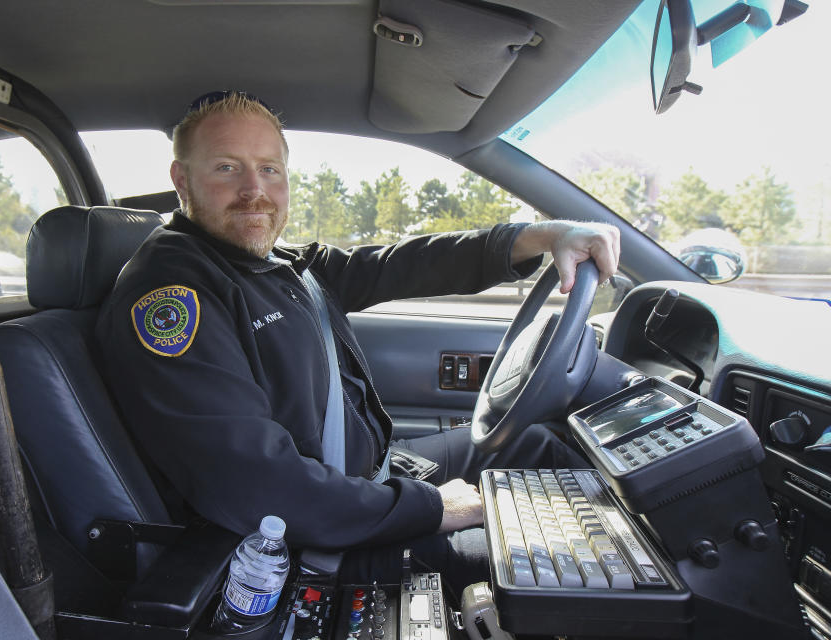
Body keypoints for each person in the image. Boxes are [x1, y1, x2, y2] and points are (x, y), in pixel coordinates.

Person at [96, 91, 620, 592]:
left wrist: (543, 236)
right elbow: (257, 487)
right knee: (548, 557)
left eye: (269, 169)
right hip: (302, 541)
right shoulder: (172, 297)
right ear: (181, 179)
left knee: (538, 446)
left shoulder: (275, 265)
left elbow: (398, 265)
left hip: (360, 481)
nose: (254, 189)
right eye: (227, 168)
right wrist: (433, 509)